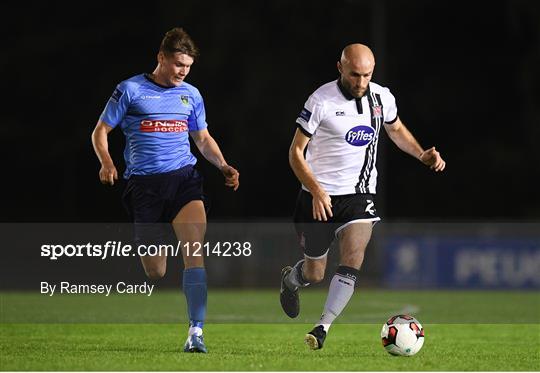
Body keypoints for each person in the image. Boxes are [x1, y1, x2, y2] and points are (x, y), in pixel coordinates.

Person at [280, 43, 445, 350]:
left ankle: (322, 327)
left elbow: (395, 130)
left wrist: (421, 154)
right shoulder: (320, 101)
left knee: (354, 255)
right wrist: (316, 190)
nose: (360, 82)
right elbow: (295, 153)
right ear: (340, 67)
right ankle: (291, 281)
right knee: (315, 273)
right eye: (354, 74)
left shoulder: (382, 97)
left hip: (359, 194)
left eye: (366, 75)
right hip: (317, 197)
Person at [91, 27, 239, 353]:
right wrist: (106, 162)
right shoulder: (129, 90)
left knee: (194, 251)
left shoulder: (191, 94)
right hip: (144, 187)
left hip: (184, 180)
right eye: (177, 64)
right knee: (156, 271)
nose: (182, 72)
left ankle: (196, 333)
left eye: (187, 66)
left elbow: (202, 138)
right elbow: (100, 131)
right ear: (161, 58)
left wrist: (223, 165)